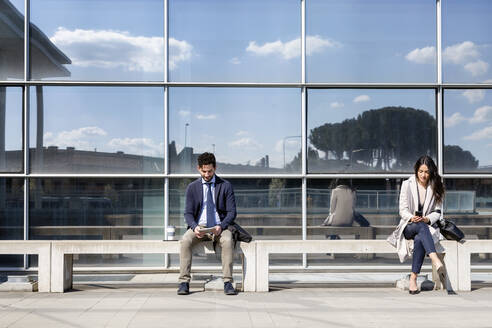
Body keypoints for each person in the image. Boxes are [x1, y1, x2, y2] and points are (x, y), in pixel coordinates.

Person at [177, 152, 237, 295]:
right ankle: (184, 282)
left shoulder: (225, 186)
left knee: (228, 240)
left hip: (220, 226)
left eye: (210, 171)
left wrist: (221, 226)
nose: (207, 174)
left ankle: (228, 282)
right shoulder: (192, 187)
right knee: (185, 240)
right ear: (199, 169)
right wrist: (194, 227)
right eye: (204, 171)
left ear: (215, 168)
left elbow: (232, 213)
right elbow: (188, 213)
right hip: (200, 227)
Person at [395, 155, 446, 294]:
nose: (423, 175)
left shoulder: (436, 186)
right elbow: (402, 210)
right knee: (419, 227)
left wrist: (426, 219)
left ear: (431, 172)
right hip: (409, 226)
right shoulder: (407, 184)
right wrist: (413, 218)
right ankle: (435, 259)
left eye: (427, 172)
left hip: (426, 226)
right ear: (416, 171)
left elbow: (437, 212)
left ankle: (413, 278)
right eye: (421, 171)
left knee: (420, 237)